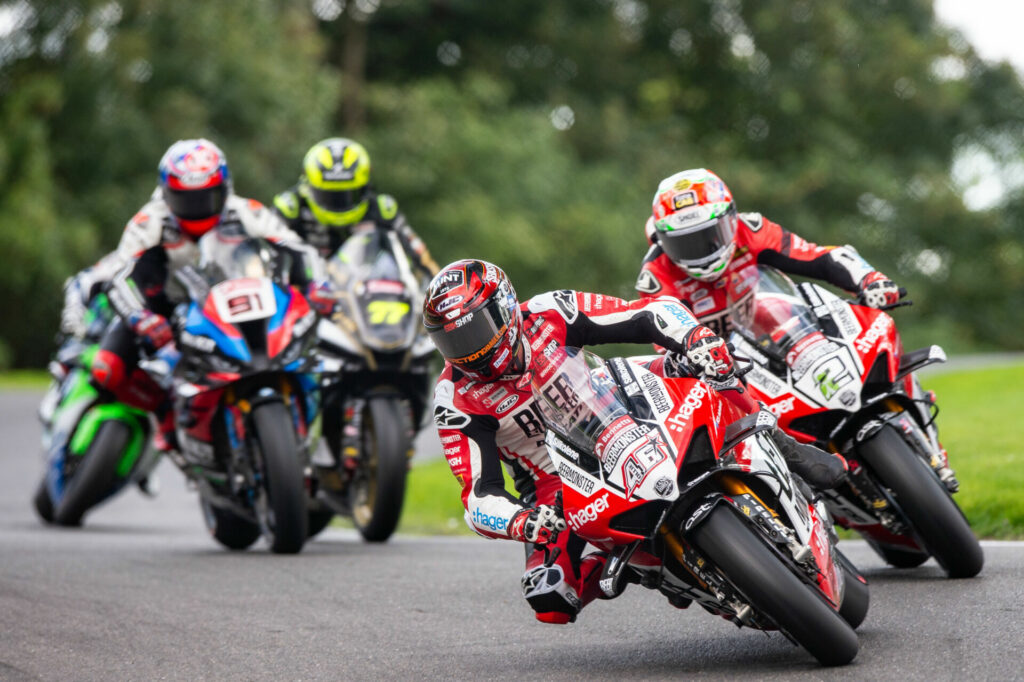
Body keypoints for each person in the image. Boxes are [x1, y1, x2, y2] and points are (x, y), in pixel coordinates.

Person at [423, 259, 845, 626]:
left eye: (475, 331)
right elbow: (478, 496)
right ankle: (651, 567)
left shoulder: (551, 311)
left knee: (710, 363)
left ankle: (784, 446)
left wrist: (694, 339)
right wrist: (521, 521)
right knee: (550, 599)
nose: (470, 352)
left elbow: (647, 312)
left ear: (505, 309)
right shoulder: (454, 397)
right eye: (454, 342)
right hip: (557, 483)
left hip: (621, 404)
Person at [92, 138, 329, 452]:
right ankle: (165, 414)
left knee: (305, 343)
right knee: (107, 369)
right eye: (186, 200)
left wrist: (317, 288)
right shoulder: (149, 221)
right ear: (166, 194)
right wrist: (141, 318)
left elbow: (299, 250)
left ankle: (300, 413)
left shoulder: (246, 211)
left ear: (225, 188)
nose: (197, 209)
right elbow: (118, 278)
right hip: (164, 311)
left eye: (208, 197)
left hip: (236, 301)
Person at [636, 168, 903, 338]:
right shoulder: (655, 277)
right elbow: (669, 346)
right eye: (685, 242)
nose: (701, 251)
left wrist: (870, 280)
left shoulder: (751, 230)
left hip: (793, 340)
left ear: (731, 219)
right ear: (662, 239)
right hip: (728, 379)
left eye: (709, 235)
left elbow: (818, 257)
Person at [272, 137, 438, 278]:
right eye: (329, 196)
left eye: (347, 196)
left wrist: (440, 288)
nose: (338, 205)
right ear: (309, 187)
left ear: (365, 188)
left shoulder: (382, 208)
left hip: (364, 297)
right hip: (306, 295)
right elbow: (259, 255)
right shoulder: (290, 207)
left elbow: (420, 255)